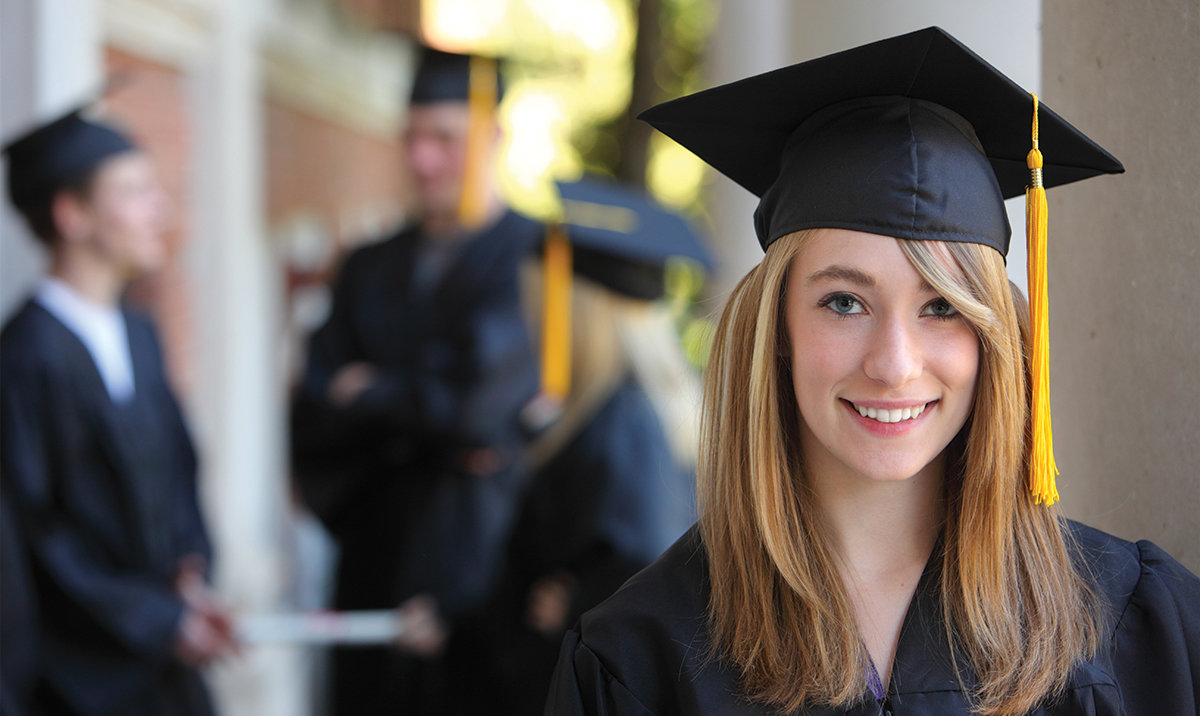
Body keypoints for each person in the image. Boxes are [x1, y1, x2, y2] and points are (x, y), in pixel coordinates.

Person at [545, 27, 1200, 715]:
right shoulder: (638, 660)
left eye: (943, 306)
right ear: (778, 331)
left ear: (994, 337)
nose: (893, 363)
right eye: (844, 301)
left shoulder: (1136, 627)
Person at [289, 46, 544, 714]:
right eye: (411, 138)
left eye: (445, 139)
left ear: (493, 138)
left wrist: (371, 393)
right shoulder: (370, 264)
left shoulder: (536, 260)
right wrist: (432, 405)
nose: (422, 159)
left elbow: (478, 408)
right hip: (372, 553)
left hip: (485, 564)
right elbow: (313, 408)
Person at [0, 106, 236, 715]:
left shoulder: (138, 331)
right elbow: (37, 535)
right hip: (82, 679)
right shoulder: (26, 358)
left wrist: (190, 574)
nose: (158, 208)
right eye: (133, 192)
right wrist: (156, 620)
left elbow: (178, 469)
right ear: (71, 214)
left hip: (165, 665)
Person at [458, 177, 709, 714]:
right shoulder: (633, 412)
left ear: (579, 313)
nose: (530, 321)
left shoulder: (623, 421)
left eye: (541, 305)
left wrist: (577, 603)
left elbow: (646, 563)